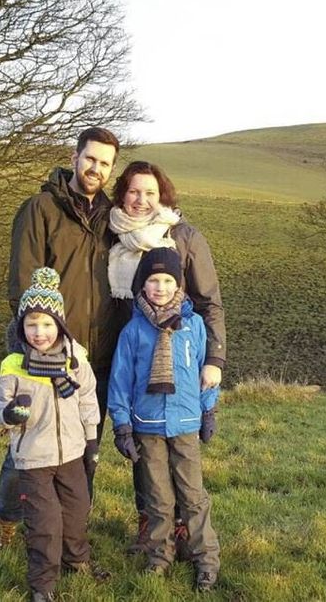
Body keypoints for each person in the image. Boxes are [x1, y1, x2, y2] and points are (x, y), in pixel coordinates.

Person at [0, 127, 121, 553]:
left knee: (82, 448)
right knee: (26, 450)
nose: (96, 169)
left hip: (95, 357)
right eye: (90, 159)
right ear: (74, 158)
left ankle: (70, 533)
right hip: (43, 351)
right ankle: (4, 527)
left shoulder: (112, 219)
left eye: (105, 163)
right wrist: (36, 345)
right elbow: (22, 282)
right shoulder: (41, 209)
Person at [108, 160, 227, 552]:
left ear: (164, 196)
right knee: (146, 456)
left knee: (182, 459)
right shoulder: (112, 235)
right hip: (131, 351)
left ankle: (183, 529)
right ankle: (152, 524)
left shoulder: (185, 237)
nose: (141, 200)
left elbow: (209, 302)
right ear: (122, 194)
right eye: (133, 192)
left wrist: (215, 359)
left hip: (179, 353)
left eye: (150, 193)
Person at [0, 267, 109, 602]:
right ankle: (43, 585)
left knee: (76, 512)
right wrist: (9, 414)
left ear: (60, 324)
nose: (39, 332)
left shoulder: (75, 361)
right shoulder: (15, 366)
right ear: (21, 328)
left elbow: (87, 400)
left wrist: (91, 442)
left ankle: (77, 560)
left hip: (72, 454)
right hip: (33, 459)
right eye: (31, 324)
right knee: (45, 524)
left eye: (46, 324)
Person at [108, 247, 221, 592]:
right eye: (153, 280)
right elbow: (120, 381)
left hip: (186, 424)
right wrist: (123, 425)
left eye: (167, 280)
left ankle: (206, 559)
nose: (160, 287)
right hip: (147, 426)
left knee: (193, 496)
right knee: (158, 498)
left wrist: (209, 409)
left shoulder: (195, 326)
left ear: (178, 284)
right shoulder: (132, 332)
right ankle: (160, 557)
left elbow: (205, 373)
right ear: (142, 285)